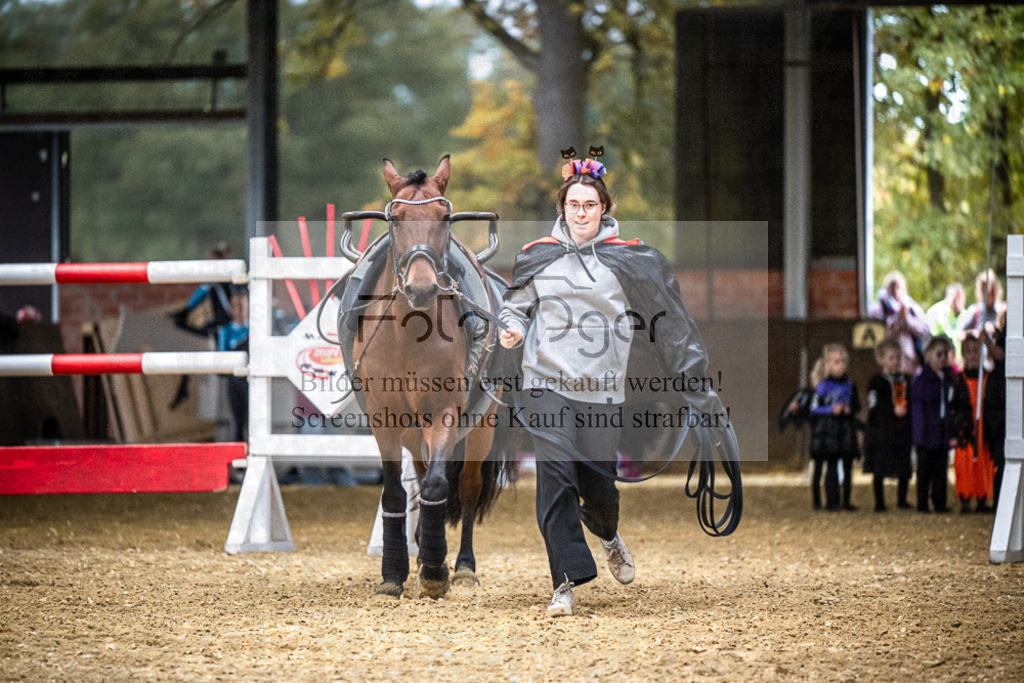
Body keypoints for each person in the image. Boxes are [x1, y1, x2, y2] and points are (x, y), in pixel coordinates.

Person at [498, 152, 736, 617]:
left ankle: (607, 533)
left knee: (600, 489)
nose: (581, 212)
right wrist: (512, 327)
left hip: (602, 390)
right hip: (545, 382)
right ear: (563, 208)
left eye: (590, 204)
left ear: (603, 208)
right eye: (573, 205)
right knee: (556, 475)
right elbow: (514, 306)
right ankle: (563, 581)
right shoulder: (538, 254)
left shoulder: (628, 260)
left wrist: (692, 381)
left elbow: (670, 323)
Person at [910, 336, 966, 513]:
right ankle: (922, 504)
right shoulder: (921, 381)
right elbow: (918, 410)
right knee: (924, 471)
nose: (943, 358)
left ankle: (940, 503)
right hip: (927, 432)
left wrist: (952, 433)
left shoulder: (949, 378)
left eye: (945, 354)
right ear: (928, 355)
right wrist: (919, 435)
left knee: (941, 470)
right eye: (938, 354)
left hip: (942, 431)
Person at [808, 343, 860, 511]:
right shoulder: (823, 386)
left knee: (847, 467)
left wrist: (848, 410)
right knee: (830, 467)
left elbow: (856, 406)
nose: (841, 365)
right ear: (828, 365)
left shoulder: (850, 385)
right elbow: (814, 408)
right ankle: (831, 501)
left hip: (845, 432)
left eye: (843, 361)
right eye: (837, 362)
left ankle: (846, 500)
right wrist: (831, 410)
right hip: (828, 433)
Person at [864, 339, 913, 512]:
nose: (895, 362)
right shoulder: (876, 381)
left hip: (902, 430)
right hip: (882, 431)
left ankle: (902, 499)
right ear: (882, 359)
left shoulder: (905, 379)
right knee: (879, 466)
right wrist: (892, 409)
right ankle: (879, 502)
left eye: (898, 358)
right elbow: (873, 405)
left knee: (904, 465)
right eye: (891, 358)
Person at [951, 336, 995, 513]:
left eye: (976, 351)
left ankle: (982, 498)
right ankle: (965, 497)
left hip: (983, 427)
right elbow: (953, 406)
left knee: (982, 462)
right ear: (963, 354)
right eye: (968, 351)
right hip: (965, 429)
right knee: (965, 462)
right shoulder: (958, 380)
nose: (972, 355)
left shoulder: (988, 378)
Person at [869, 271, 931, 375]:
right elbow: (875, 332)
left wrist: (907, 321)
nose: (895, 291)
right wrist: (896, 322)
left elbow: (925, 330)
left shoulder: (911, 307)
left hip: (910, 364)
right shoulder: (877, 309)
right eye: (891, 287)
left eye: (898, 287)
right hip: (886, 363)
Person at [982, 309, 1007, 508]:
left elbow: (1001, 355)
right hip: (997, 400)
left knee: (1002, 456)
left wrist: (987, 342)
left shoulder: (1008, 334)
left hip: (1001, 401)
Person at [957, 269, 1006, 342]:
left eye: (989, 293)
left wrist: (996, 330)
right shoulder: (974, 310)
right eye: (983, 291)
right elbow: (958, 333)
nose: (986, 296)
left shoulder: (1003, 310)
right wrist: (975, 333)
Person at [926, 282, 966, 359]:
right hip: (939, 357)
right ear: (946, 297)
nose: (957, 302)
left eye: (959, 299)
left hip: (960, 360)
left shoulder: (965, 314)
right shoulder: (937, 311)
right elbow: (948, 334)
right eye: (954, 299)